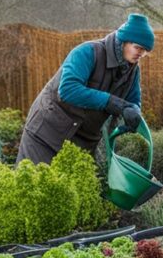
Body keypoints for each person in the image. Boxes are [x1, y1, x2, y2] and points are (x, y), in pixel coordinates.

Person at [16, 13, 153, 165]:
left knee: (73, 188)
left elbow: (132, 101)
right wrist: (111, 103)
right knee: (32, 183)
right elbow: (68, 90)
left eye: (145, 50)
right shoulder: (87, 52)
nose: (141, 53)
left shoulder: (132, 70)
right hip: (47, 133)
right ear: (123, 41)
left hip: (83, 141)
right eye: (137, 47)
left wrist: (133, 111)